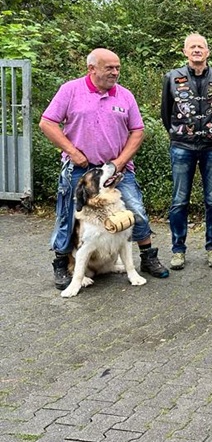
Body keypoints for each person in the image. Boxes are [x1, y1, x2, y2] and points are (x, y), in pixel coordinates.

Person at [41, 48, 169, 289]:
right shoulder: (71, 90)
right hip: (79, 168)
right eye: (109, 67)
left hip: (116, 170)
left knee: (136, 211)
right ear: (91, 68)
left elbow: (137, 131)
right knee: (68, 215)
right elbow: (47, 123)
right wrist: (72, 151)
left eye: (117, 68)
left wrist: (120, 162)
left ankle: (148, 257)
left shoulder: (124, 95)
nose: (115, 72)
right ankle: (62, 264)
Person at [161, 33, 212, 270]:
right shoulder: (172, 77)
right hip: (183, 146)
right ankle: (178, 250)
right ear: (185, 52)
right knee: (179, 200)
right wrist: (179, 134)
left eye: (201, 46)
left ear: (208, 51)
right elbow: (166, 112)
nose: (196, 50)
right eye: (192, 47)